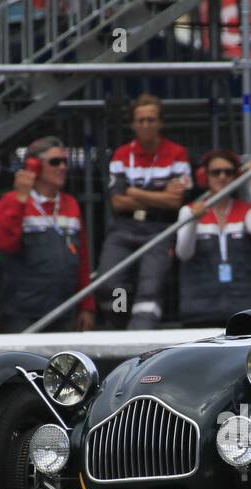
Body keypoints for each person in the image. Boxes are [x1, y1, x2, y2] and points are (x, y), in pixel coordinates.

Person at [98, 94, 191, 329]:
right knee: (109, 283)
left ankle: (138, 341)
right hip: (124, 227)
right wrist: (159, 194)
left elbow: (175, 202)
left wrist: (136, 192)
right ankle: (121, 324)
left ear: (160, 123)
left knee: (150, 288)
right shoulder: (121, 154)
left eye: (151, 120)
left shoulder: (177, 153)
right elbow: (117, 202)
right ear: (133, 124)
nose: (146, 125)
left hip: (159, 227)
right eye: (141, 121)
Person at [0, 136, 96, 332]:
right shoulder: (11, 200)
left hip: (64, 310)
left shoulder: (70, 204)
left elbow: (82, 259)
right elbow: (3, 243)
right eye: (55, 162)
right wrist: (20, 199)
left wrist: (86, 306)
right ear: (34, 166)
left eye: (65, 161)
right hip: (22, 313)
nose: (62, 167)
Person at [175, 150, 251, 325]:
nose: (222, 176)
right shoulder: (188, 211)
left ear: (236, 176)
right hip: (200, 308)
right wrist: (193, 220)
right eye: (215, 172)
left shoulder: (247, 209)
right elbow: (184, 254)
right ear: (205, 176)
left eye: (228, 172)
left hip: (244, 306)